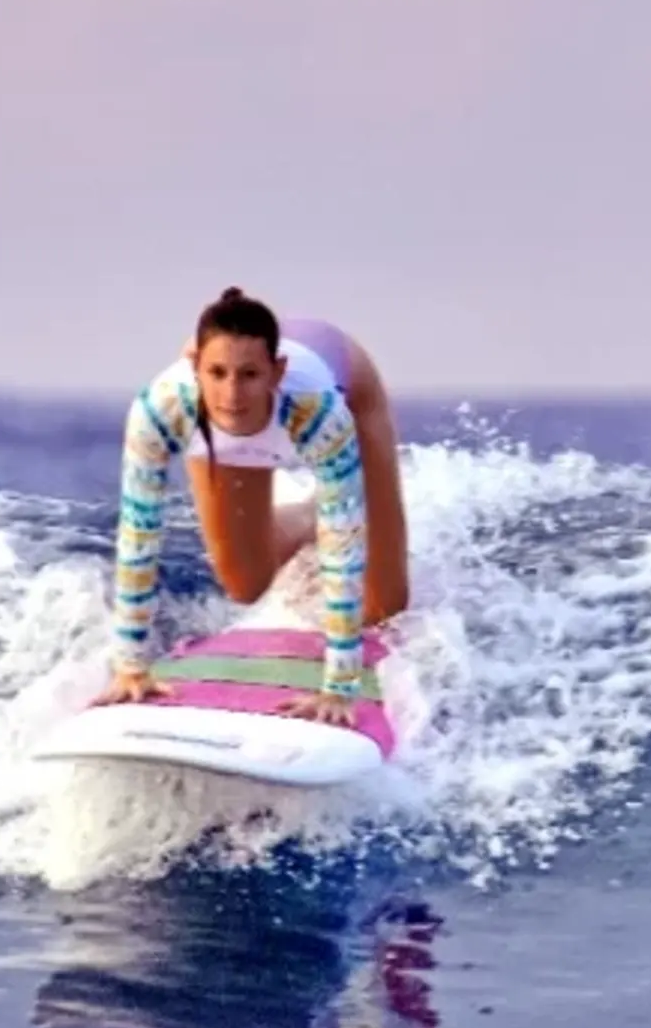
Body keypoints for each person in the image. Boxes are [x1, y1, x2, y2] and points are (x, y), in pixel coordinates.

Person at [94, 288, 413, 729]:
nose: (231, 393)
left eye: (248, 375)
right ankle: (307, 515)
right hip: (227, 393)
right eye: (217, 373)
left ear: (276, 372)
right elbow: (138, 536)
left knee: (384, 609)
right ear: (195, 369)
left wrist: (338, 689)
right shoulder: (161, 410)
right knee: (245, 583)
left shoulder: (319, 414)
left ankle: (329, 506)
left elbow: (344, 546)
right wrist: (131, 668)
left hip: (348, 378)